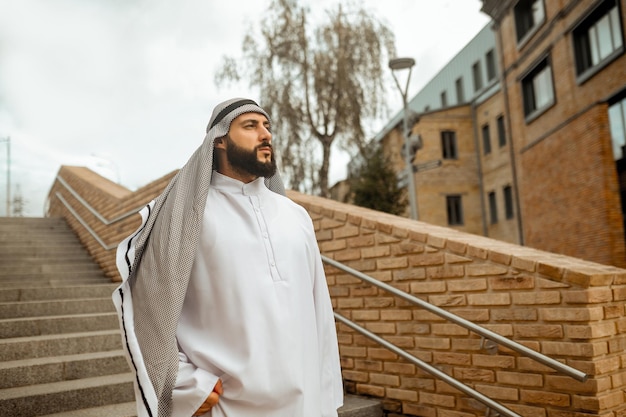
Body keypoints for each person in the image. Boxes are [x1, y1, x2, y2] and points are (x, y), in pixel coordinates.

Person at [112, 98, 344, 417]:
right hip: (227, 407)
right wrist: (186, 384)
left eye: (267, 126)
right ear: (219, 139)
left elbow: (320, 313)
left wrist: (325, 396)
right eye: (250, 126)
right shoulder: (186, 218)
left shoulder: (296, 217)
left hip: (304, 404)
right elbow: (149, 309)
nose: (265, 135)